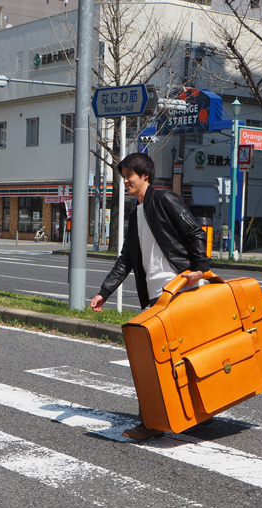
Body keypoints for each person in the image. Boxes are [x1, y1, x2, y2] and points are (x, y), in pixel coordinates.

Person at [90, 152, 210, 441]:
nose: (125, 181)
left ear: (145, 175)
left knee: (156, 358)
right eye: (123, 176)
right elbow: (127, 258)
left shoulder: (165, 200)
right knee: (167, 358)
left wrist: (200, 270)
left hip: (179, 288)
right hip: (156, 295)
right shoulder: (137, 213)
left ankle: (153, 423)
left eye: (129, 175)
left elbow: (195, 233)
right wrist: (104, 292)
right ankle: (183, 415)